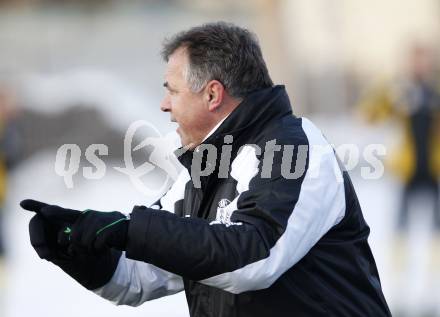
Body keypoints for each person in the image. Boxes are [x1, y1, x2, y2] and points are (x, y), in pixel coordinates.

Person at [20, 22, 391, 316]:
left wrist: (132, 230)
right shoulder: (202, 166)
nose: (164, 105)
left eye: (172, 90)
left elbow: (254, 258)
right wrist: (79, 249)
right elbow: (141, 275)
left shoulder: (293, 146)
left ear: (212, 94)